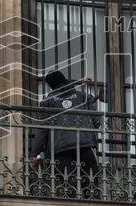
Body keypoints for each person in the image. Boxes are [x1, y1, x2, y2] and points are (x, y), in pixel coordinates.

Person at [29, 70, 103, 199]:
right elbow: (97, 122)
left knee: (69, 188)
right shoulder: (82, 96)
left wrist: (34, 154)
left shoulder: (47, 102)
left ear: (51, 85)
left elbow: (42, 130)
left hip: (60, 150)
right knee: (91, 188)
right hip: (85, 145)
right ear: (65, 80)